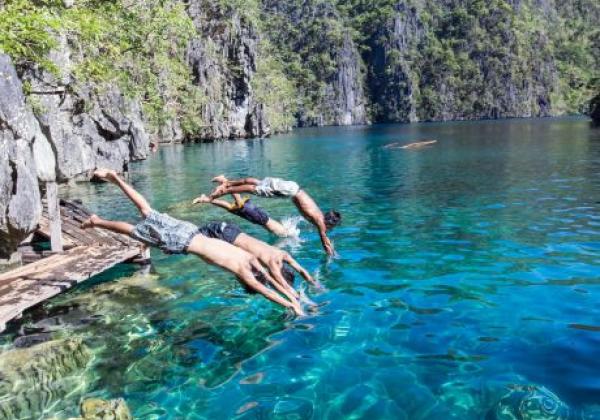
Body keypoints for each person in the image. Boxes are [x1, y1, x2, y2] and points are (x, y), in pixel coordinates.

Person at [80, 169, 304, 316]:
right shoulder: (244, 271)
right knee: (136, 231)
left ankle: (116, 178)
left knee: (147, 211)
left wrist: (292, 296)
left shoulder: (251, 259)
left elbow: (272, 280)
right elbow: (267, 289)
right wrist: (291, 305)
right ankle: (98, 221)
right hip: (181, 242)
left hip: (191, 230)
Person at [203, 175, 341, 256]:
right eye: (331, 227)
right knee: (255, 190)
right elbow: (324, 241)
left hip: (293, 187)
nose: (328, 229)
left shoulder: (318, 213)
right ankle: (224, 190)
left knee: (256, 182)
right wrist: (331, 254)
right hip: (290, 191)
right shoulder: (320, 222)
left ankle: (226, 181)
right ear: (330, 223)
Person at [194, 220, 320, 297]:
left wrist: (314, 283)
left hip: (233, 230)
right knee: (191, 240)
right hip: (223, 235)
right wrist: (300, 299)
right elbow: (283, 287)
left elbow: (302, 271)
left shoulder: (283, 255)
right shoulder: (272, 265)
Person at [193, 193, 291, 237]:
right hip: (261, 218)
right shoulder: (286, 234)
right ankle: (226, 183)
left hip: (258, 219)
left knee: (230, 208)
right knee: (239, 204)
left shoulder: (284, 230)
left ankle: (205, 199)